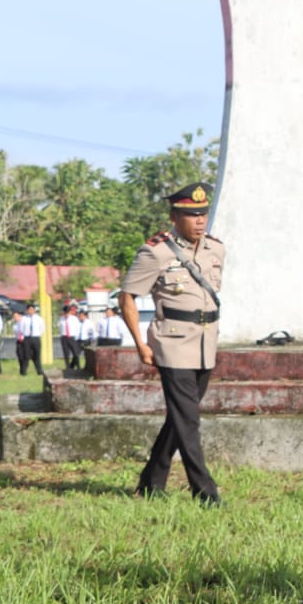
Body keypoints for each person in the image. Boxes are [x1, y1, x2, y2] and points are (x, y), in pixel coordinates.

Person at [118, 182, 226, 506]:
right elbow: (127, 298)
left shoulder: (216, 249)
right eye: (191, 215)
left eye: (203, 214)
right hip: (172, 343)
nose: (199, 221)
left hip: (206, 342)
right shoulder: (155, 251)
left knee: (180, 417)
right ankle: (205, 492)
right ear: (174, 216)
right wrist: (140, 343)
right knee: (189, 419)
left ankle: (151, 481)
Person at [21, 304, 45, 376]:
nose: (30, 311)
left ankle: (39, 371)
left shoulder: (39, 318)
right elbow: (21, 328)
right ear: (27, 310)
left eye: (32, 309)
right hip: (27, 338)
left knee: (37, 355)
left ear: (34, 310)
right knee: (26, 355)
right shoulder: (24, 318)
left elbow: (42, 328)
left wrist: (37, 335)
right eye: (29, 310)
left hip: (35, 338)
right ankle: (24, 371)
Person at [59, 304, 82, 370]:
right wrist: (62, 335)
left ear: (70, 312)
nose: (66, 314)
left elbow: (77, 328)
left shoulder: (74, 319)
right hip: (64, 337)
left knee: (75, 353)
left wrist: (76, 337)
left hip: (72, 337)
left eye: (68, 312)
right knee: (66, 353)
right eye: (65, 312)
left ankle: (78, 367)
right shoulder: (61, 319)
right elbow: (60, 328)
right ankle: (68, 367)